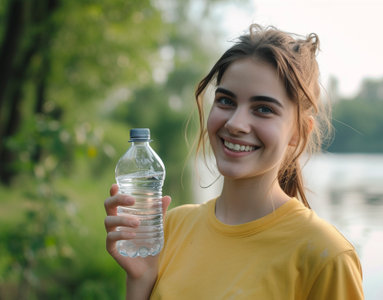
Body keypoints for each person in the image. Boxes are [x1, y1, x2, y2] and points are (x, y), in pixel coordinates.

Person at [104, 24, 364, 299]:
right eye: (226, 101)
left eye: (263, 109)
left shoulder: (326, 256)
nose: (236, 123)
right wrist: (140, 278)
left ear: (298, 132)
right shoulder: (171, 227)